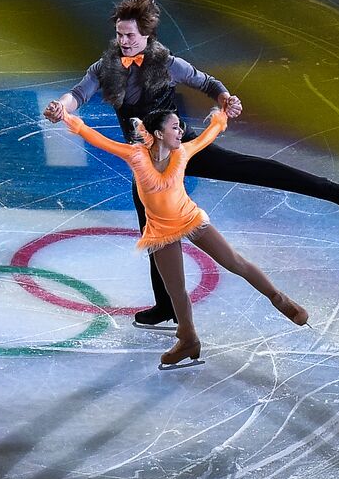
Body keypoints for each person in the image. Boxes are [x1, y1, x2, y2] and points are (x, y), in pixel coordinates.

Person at [43, 0, 339, 329]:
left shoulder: (169, 64)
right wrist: (61, 107)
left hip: (181, 145)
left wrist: (226, 98)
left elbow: (209, 84)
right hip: (148, 162)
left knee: (249, 168)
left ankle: (325, 188)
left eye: (130, 35)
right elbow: (77, 95)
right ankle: (166, 307)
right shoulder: (106, 68)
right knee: (154, 234)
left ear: (146, 35)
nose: (124, 41)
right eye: (119, 35)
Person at [62, 106, 308, 368]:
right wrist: (65, 116)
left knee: (235, 262)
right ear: (158, 133)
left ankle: (281, 301)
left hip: (191, 219)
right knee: (176, 290)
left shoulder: (182, 152)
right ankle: (188, 339)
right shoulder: (136, 156)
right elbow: (95, 137)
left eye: (180, 127)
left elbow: (208, 135)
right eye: (175, 127)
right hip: (161, 231)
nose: (181, 132)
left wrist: (221, 115)